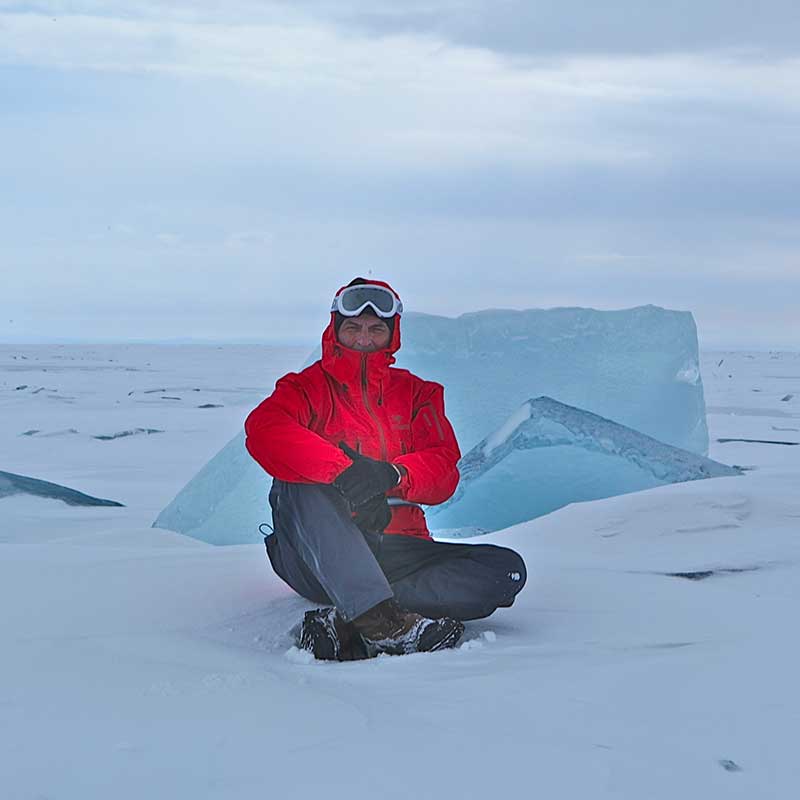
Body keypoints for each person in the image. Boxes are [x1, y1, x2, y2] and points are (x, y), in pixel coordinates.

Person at [245, 278, 526, 660]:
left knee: (503, 570)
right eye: (354, 328)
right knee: (296, 478)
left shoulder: (418, 394)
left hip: (396, 549)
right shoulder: (305, 388)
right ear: (335, 329)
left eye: (376, 329)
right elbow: (265, 430)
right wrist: (344, 475)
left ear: (392, 335)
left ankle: (351, 615)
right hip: (315, 555)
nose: (364, 338)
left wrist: (391, 476)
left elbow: (444, 472)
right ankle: (383, 624)